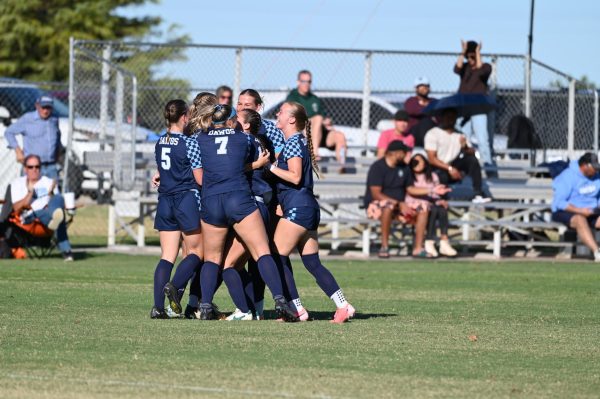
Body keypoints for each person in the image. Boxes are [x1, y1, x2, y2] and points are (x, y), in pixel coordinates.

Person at [195, 104, 297, 322]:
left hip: (211, 201)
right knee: (262, 251)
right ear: (232, 121)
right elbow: (255, 162)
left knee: (212, 258)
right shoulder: (246, 139)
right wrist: (258, 163)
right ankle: (280, 301)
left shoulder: (201, 138)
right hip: (238, 198)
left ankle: (204, 306)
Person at [269, 101, 355, 323]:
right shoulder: (295, 142)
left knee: (276, 257)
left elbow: (295, 176)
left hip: (299, 207)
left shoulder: (294, 143)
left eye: (281, 112)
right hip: (306, 207)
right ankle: (343, 305)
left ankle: (296, 308)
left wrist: (269, 167)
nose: (277, 114)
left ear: (291, 119)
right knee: (312, 263)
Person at [150, 99, 204, 319]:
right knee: (196, 253)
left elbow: (163, 169)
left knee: (167, 256)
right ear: (184, 117)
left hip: (165, 201)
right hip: (185, 199)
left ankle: (157, 307)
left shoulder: (160, 141)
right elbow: (199, 179)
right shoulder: (189, 143)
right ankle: (175, 285)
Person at [365, 141, 430, 258]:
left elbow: (410, 188)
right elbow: (376, 194)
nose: (406, 154)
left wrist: (431, 190)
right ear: (395, 153)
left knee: (423, 207)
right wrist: (399, 204)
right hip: (377, 206)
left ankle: (418, 248)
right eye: (404, 152)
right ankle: (384, 247)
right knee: (388, 206)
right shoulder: (377, 167)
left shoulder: (404, 168)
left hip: (400, 206)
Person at [10, 154, 73, 261]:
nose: (34, 170)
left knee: (58, 199)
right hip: (30, 218)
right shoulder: (17, 183)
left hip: (48, 215)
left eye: (37, 167)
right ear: (25, 169)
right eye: (31, 167)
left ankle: (54, 218)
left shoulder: (47, 182)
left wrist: (51, 193)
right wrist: (30, 193)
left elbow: (55, 201)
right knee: (57, 216)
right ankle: (67, 251)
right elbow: (16, 207)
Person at [424, 107, 491, 203]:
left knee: (471, 160)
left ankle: (478, 193)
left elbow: (472, 153)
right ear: (442, 118)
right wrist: (450, 169)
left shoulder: (460, 135)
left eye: (452, 117)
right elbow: (431, 159)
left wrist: (465, 148)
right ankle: (441, 198)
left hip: (454, 166)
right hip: (437, 168)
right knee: (441, 175)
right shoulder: (433, 133)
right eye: (447, 117)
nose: (450, 120)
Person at [405, 153, 457, 257]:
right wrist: (432, 191)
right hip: (414, 205)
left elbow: (436, 193)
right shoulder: (409, 175)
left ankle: (444, 241)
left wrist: (440, 199)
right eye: (415, 162)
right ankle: (429, 241)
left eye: (420, 161)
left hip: (429, 203)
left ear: (425, 163)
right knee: (431, 209)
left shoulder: (432, 176)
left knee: (441, 208)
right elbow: (411, 191)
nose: (418, 164)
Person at [551, 152, 600, 262]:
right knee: (579, 219)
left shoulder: (597, 176)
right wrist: (580, 210)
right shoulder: (568, 176)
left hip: (591, 211)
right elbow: (559, 202)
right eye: (594, 168)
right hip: (566, 211)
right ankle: (597, 252)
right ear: (584, 166)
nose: (596, 171)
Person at [454, 40, 494, 169]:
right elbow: (456, 68)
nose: (470, 59)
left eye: (472, 56)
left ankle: (488, 166)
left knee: (482, 139)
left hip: (478, 109)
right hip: (464, 108)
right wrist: (462, 52)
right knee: (463, 138)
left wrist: (477, 53)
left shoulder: (486, 66)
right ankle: (464, 165)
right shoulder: (465, 68)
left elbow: (482, 71)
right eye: (468, 56)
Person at [5, 96, 63, 179]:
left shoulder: (54, 119)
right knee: (30, 191)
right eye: (43, 107)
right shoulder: (28, 119)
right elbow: (9, 132)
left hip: (51, 166)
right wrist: (18, 150)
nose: (45, 111)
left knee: (53, 191)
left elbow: (57, 136)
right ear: (37, 106)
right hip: (33, 167)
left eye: (48, 108)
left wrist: (58, 152)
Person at [286, 70, 325, 158]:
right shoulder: (292, 97)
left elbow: (323, 116)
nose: (306, 84)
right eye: (304, 81)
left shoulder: (315, 99)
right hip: (300, 129)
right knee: (314, 120)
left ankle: (341, 168)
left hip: (317, 133)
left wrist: (327, 122)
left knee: (339, 137)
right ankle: (313, 152)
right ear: (298, 82)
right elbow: (290, 115)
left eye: (309, 81)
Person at [404, 77, 437, 147]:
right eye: (421, 86)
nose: (424, 88)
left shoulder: (434, 101)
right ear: (416, 89)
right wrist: (429, 111)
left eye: (426, 86)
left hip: (432, 132)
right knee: (426, 121)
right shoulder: (411, 101)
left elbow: (440, 115)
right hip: (415, 133)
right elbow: (412, 110)